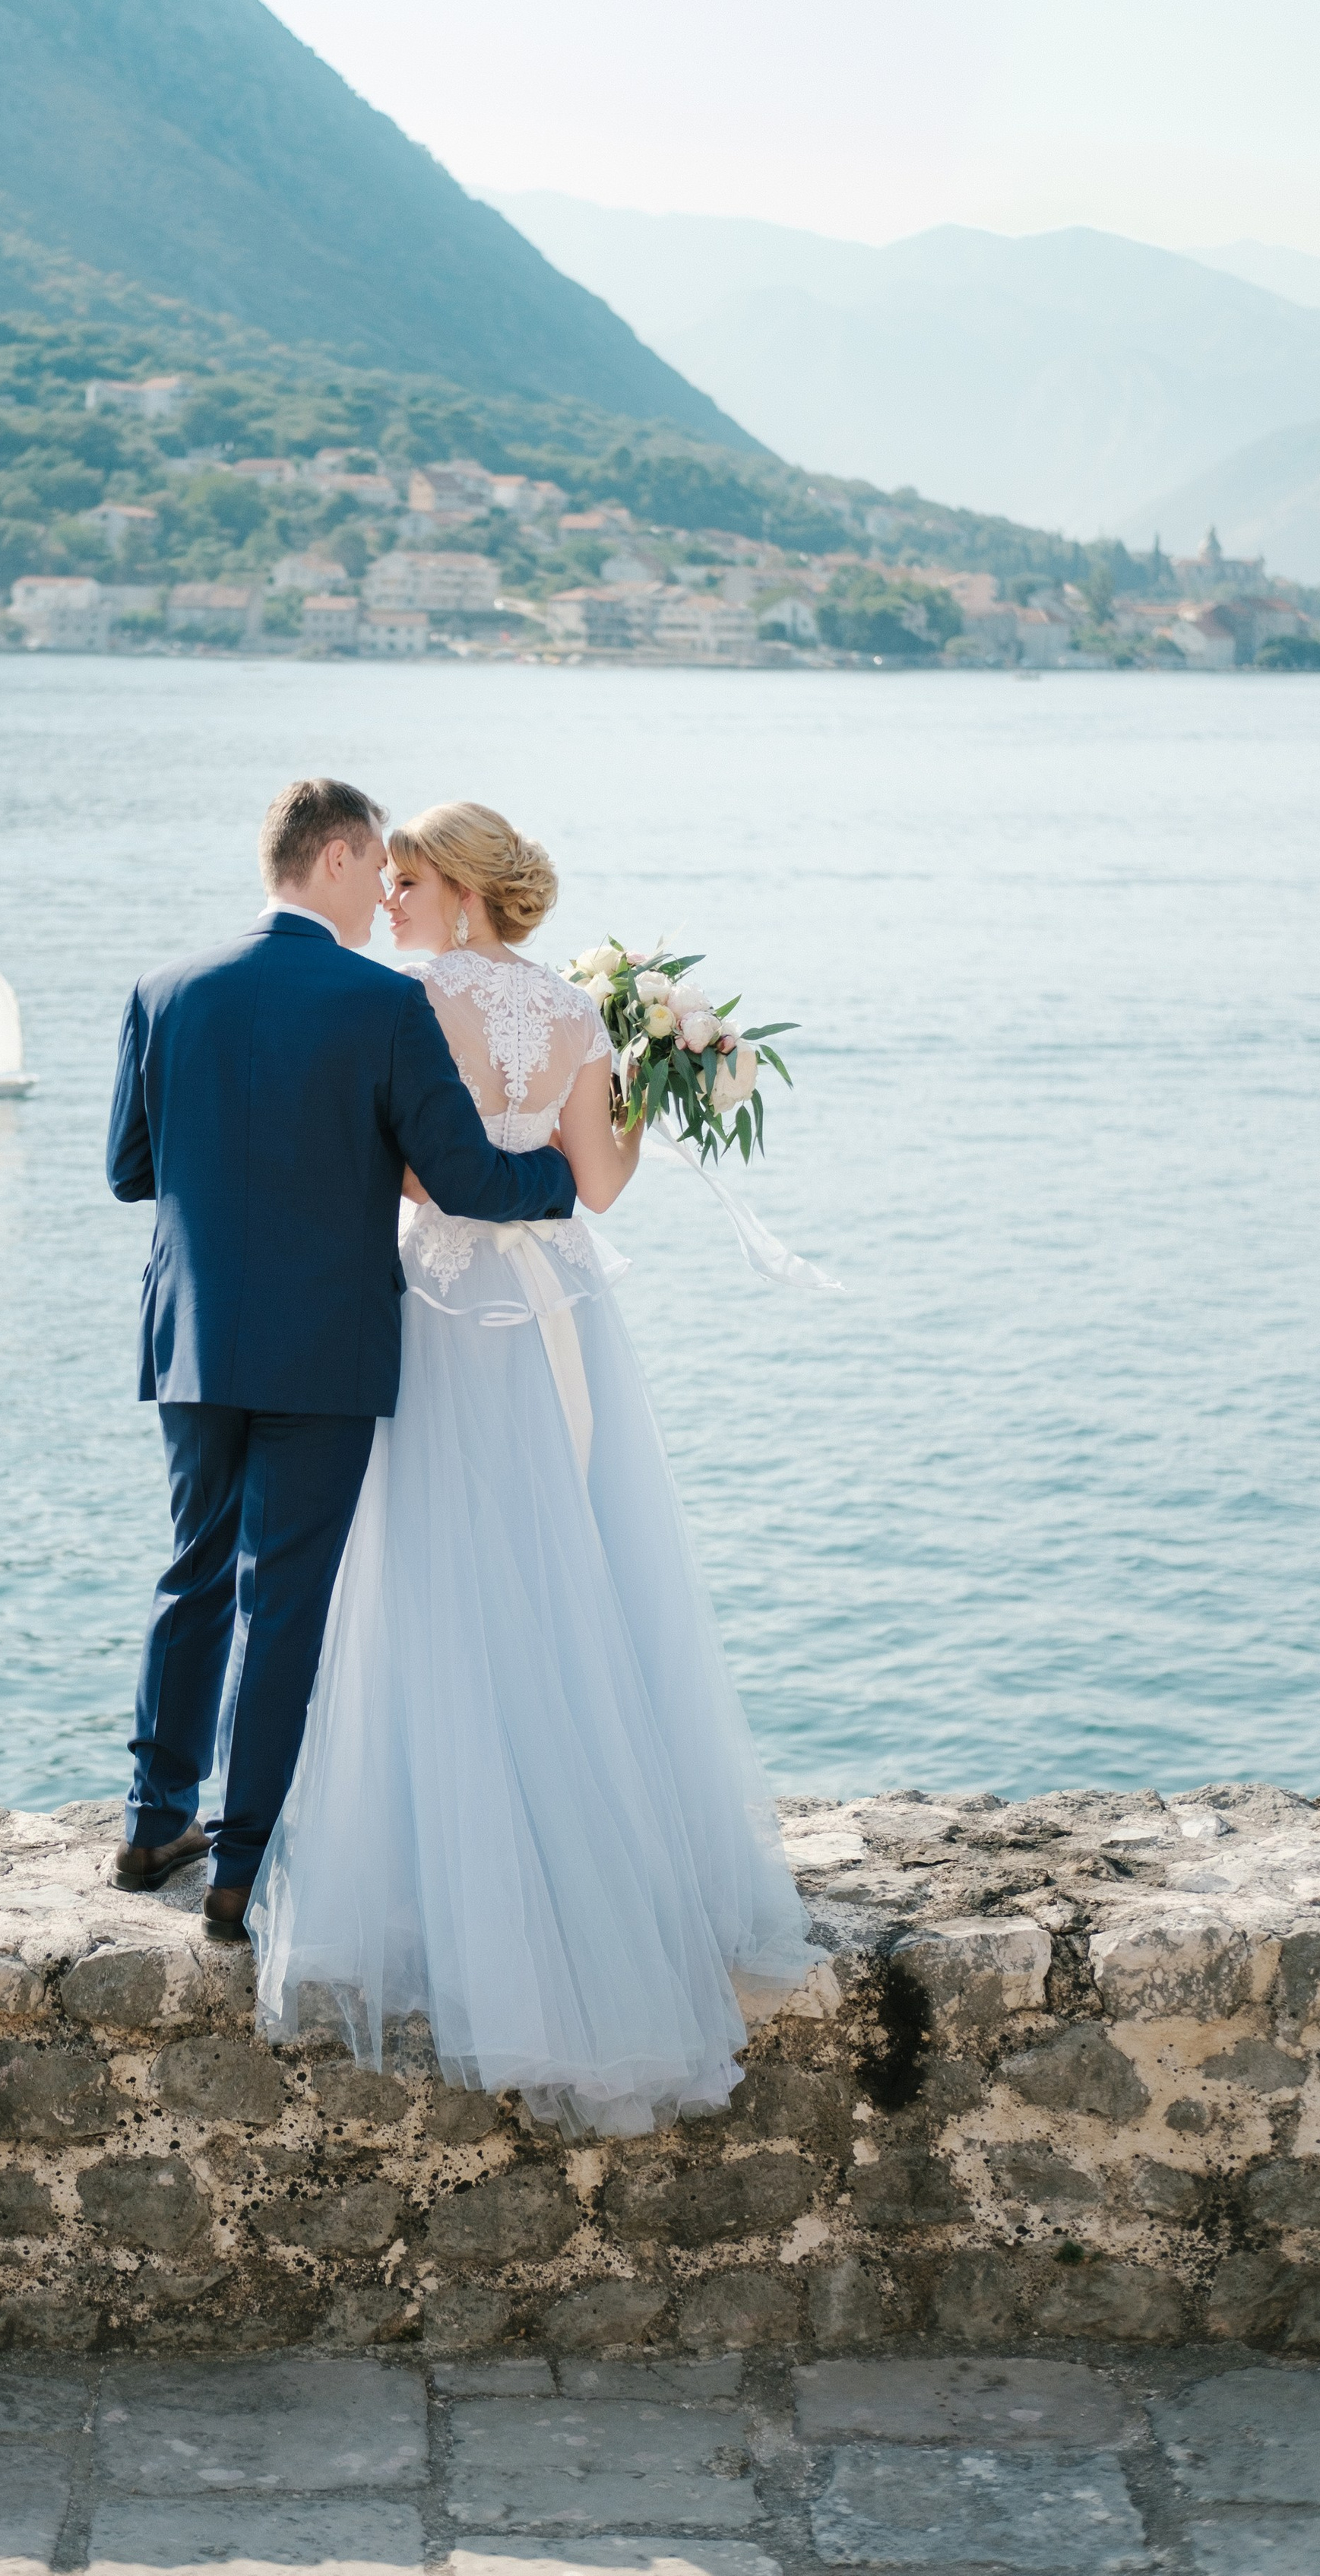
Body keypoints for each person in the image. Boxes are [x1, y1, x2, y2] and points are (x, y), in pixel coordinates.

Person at [247, 800, 819, 2135]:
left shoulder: (396, 1001)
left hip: (448, 1307)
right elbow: (603, 1185)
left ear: (456, 885)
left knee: (439, 1569)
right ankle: (619, 1873)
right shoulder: (574, 1014)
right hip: (561, 1312)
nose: (386, 898)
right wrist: (665, 1080)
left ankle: (462, 1892)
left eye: (403, 878)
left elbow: (397, 1172)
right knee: (576, 1564)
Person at [104, 778, 578, 1941]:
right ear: (336, 857)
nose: (383, 895)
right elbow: (466, 1178)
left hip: (197, 1339)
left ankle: (151, 1817)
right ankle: (240, 1867)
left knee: (194, 1573)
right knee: (286, 1603)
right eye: (376, 872)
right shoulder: (377, 1006)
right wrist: (558, 1179)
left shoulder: (163, 991)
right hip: (325, 1344)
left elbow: (130, 1170)